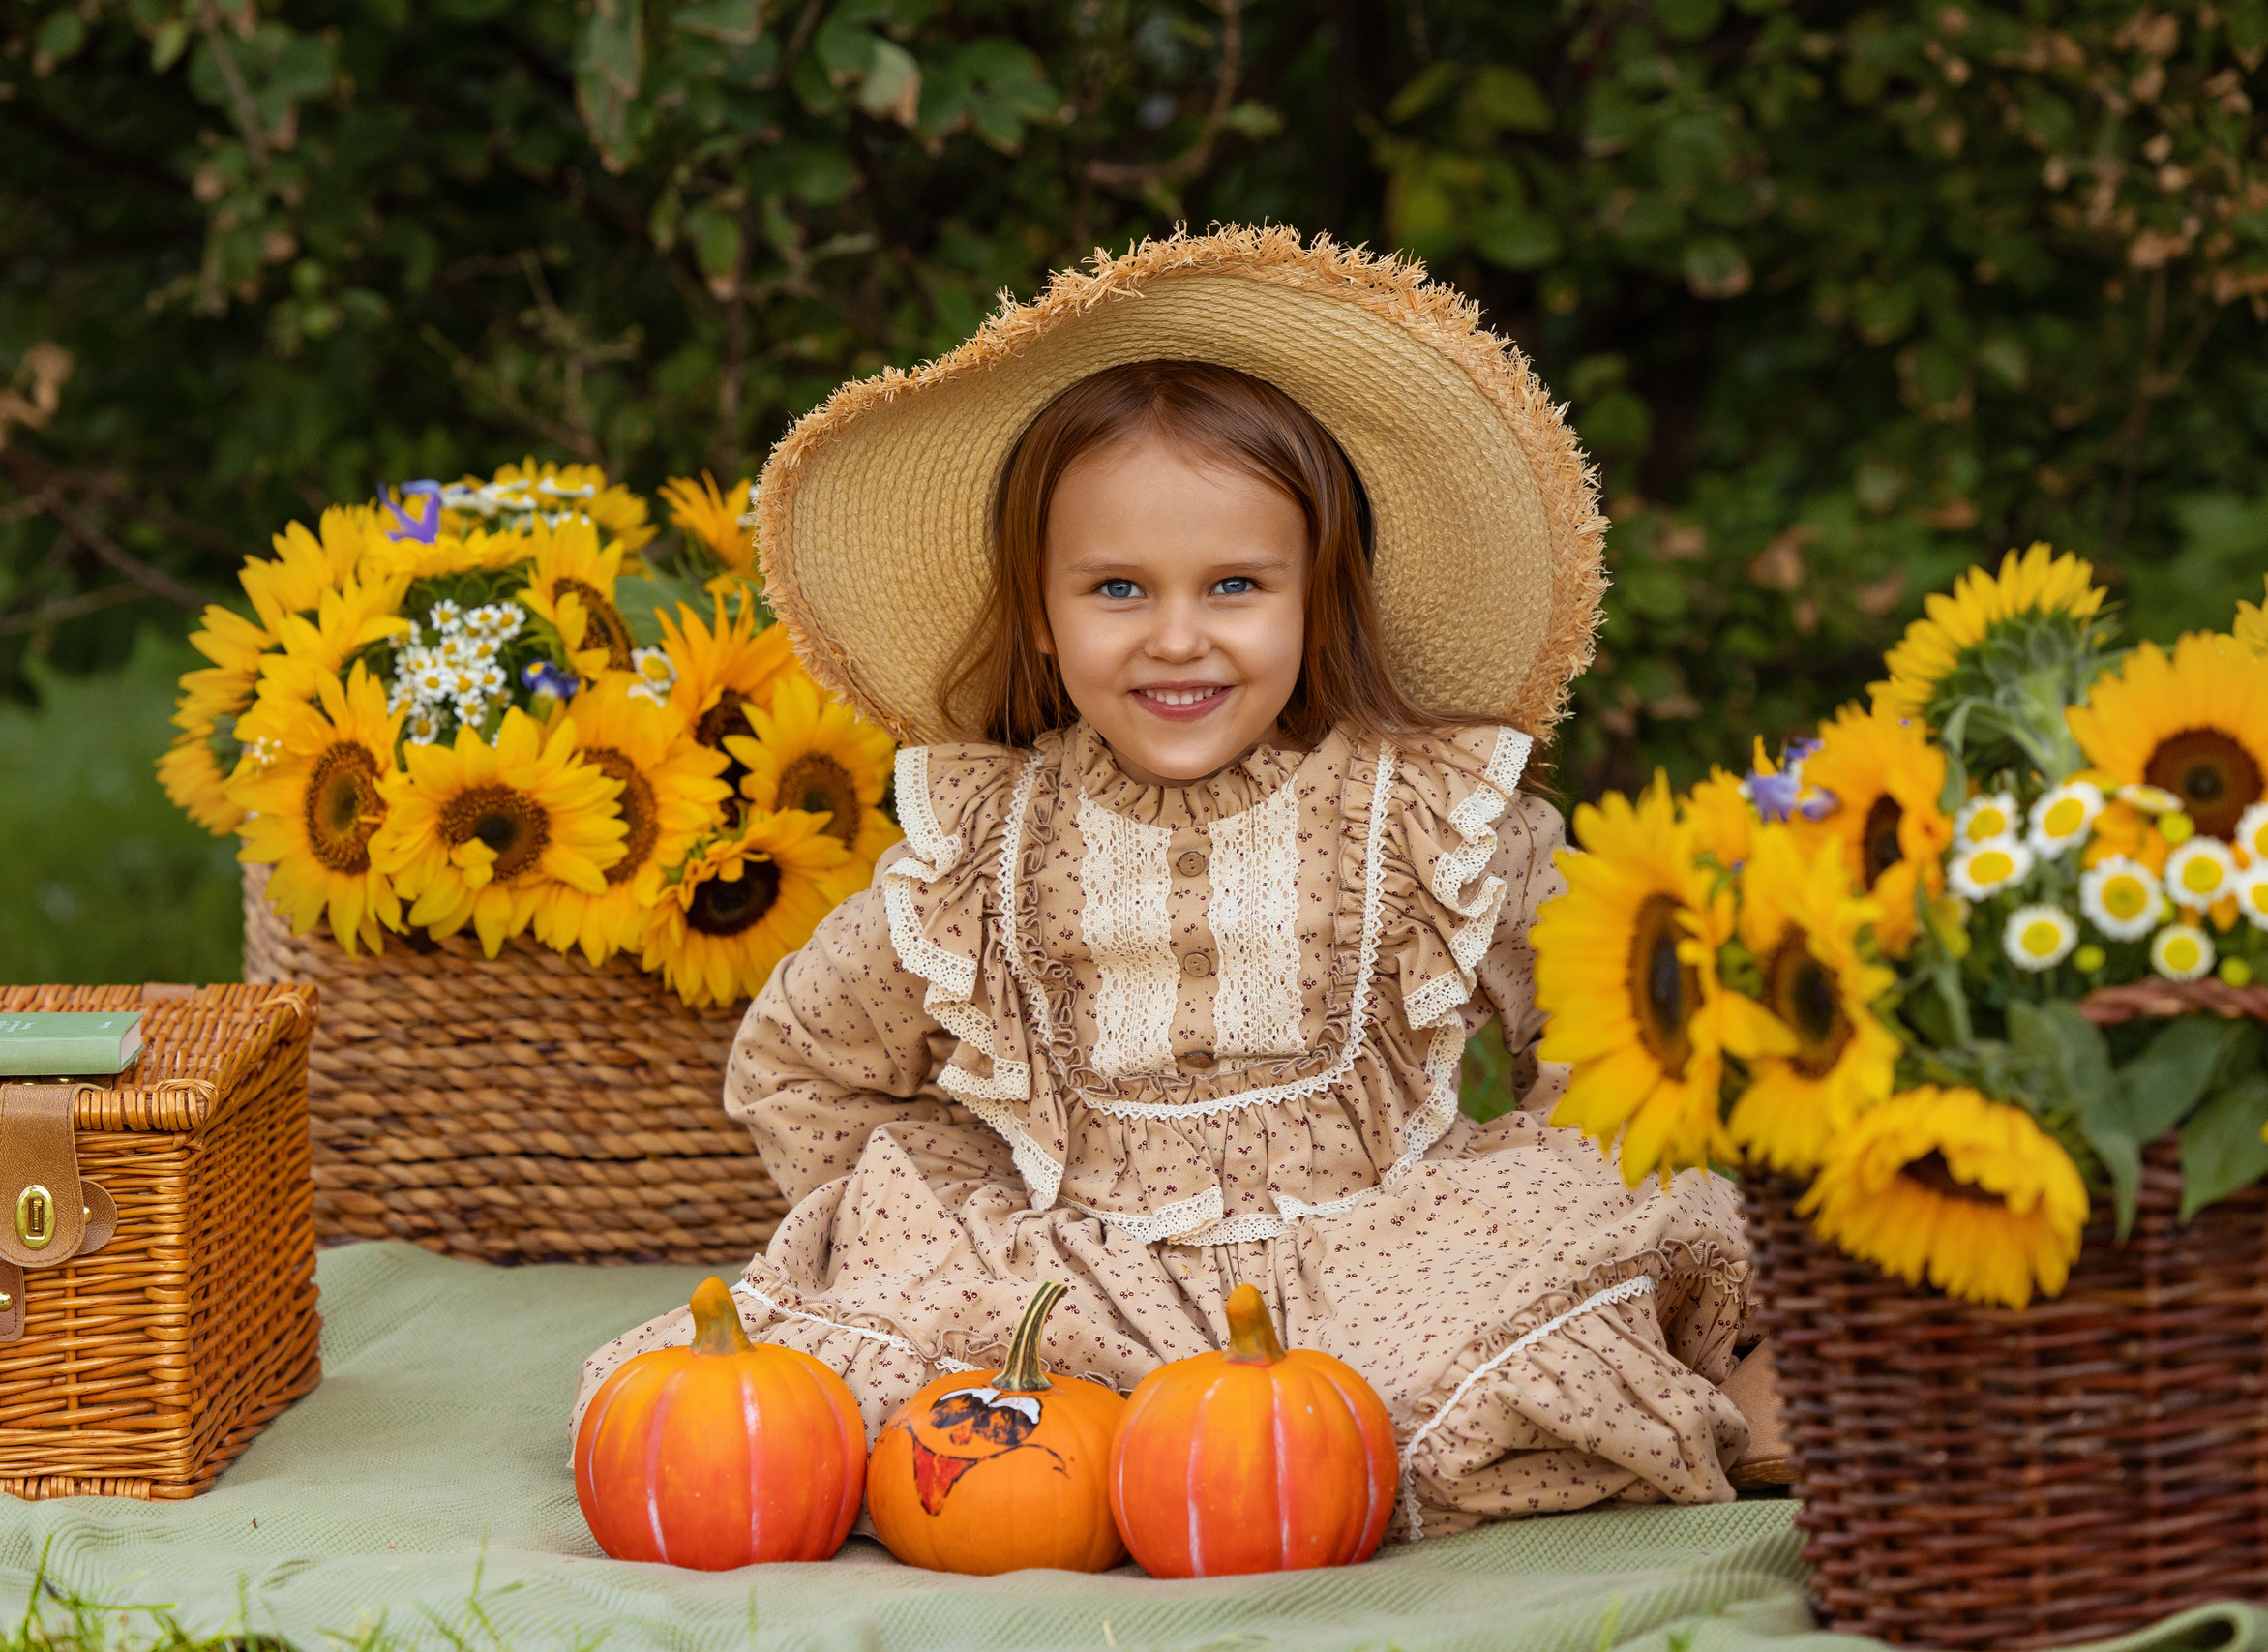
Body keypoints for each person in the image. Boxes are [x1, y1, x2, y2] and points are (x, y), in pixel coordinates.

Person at [575, 225, 1783, 1540]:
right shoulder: (987, 846)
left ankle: (1666, 1392)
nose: (1176, 636)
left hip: (1380, 1262)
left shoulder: (1427, 816)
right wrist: (958, 1197)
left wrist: (1540, 1171)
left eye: (1235, 585)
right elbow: (804, 1063)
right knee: (865, 1359)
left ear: (1317, 598)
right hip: (1090, 1287)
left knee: (1575, 1251)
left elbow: (1610, 1017)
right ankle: (1155, 1465)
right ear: (1043, 617)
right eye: (1116, 588)